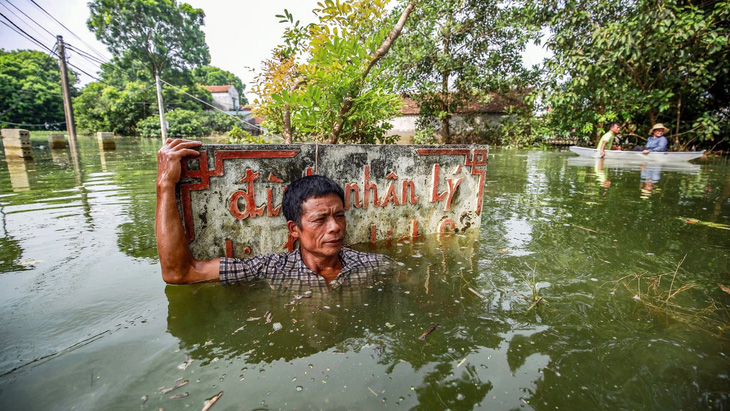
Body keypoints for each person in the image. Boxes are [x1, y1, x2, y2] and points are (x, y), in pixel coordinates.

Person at [155, 138, 392, 289]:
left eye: (339, 216)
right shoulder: (271, 269)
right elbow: (180, 273)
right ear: (294, 229)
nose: (335, 227)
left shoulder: (371, 264)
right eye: (320, 219)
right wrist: (165, 184)